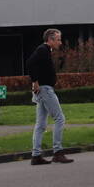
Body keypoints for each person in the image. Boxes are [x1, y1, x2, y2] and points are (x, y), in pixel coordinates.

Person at [25, 28, 73, 165]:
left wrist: (36, 82)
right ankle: (58, 152)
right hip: (45, 90)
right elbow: (29, 63)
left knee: (41, 124)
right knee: (59, 118)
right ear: (50, 40)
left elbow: (34, 65)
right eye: (58, 39)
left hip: (43, 89)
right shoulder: (43, 50)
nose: (60, 42)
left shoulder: (45, 51)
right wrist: (35, 81)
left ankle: (36, 155)